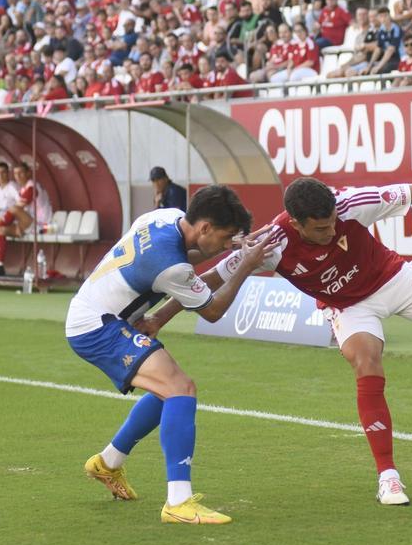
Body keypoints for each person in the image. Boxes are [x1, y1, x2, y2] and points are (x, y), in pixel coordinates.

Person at [150, 175, 412, 505]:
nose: (332, 230)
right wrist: (159, 318)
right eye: (320, 228)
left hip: (392, 277)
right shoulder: (271, 242)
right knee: (367, 363)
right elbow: (210, 278)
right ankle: (388, 477)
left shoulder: (352, 203)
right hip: (347, 306)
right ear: (296, 223)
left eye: (333, 222)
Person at [70, 186, 274, 525]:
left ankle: (108, 462)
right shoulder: (172, 266)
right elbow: (212, 310)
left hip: (99, 314)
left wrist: (238, 250)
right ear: (205, 227)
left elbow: (184, 265)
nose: (227, 244)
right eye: (225, 237)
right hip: (97, 327)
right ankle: (178, 502)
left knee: (168, 392)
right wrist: (246, 266)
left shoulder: (165, 218)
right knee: (180, 388)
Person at [0, 161, 53, 276]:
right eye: (15, 174)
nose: (18, 176)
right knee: (1, 231)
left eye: (21, 173)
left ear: (28, 173)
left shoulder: (32, 186)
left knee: (13, 209)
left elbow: (17, 208)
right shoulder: (23, 188)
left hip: (42, 224)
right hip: (29, 223)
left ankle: (2, 225)